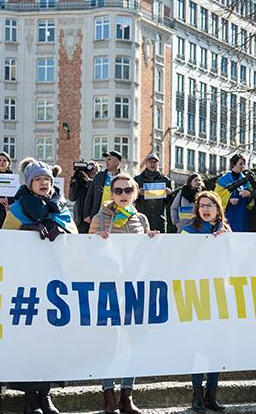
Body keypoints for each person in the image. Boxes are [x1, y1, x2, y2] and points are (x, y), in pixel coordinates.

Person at [3, 159, 73, 413]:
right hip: (28, 281)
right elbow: (5, 237)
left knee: (51, 341)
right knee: (29, 341)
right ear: (29, 183)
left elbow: (74, 234)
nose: (44, 183)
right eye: (38, 179)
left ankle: (46, 394)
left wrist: (60, 228)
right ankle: (30, 399)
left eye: (47, 179)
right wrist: (28, 228)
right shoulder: (19, 207)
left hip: (55, 283)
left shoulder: (62, 206)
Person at [89, 173, 157, 414]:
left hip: (134, 287)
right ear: (111, 193)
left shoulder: (141, 218)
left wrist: (151, 240)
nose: (123, 195)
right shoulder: (100, 217)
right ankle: (108, 396)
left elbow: (146, 255)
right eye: (118, 191)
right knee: (109, 343)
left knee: (133, 342)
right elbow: (87, 251)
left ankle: (127, 395)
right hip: (108, 287)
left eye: (128, 190)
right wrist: (96, 240)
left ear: (135, 192)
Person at [180, 191, 228, 411]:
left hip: (221, 295)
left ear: (218, 209)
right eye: (202, 206)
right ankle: (197, 395)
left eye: (210, 205)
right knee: (198, 346)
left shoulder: (227, 232)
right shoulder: (188, 231)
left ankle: (212, 393)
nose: (206, 209)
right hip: (196, 294)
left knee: (216, 347)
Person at [134, 153, 172, 233]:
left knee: (159, 244)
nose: (152, 164)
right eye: (150, 162)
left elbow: (169, 203)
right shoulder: (137, 179)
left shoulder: (166, 180)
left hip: (159, 220)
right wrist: (137, 193)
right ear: (146, 163)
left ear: (158, 164)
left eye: (155, 162)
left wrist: (169, 194)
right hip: (142, 218)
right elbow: (131, 199)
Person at [215, 154, 253, 232]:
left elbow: (251, 199)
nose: (243, 166)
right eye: (240, 164)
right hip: (229, 213)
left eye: (244, 164)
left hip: (242, 212)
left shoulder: (246, 180)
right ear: (233, 164)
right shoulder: (223, 179)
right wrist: (229, 201)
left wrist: (248, 196)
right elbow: (216, 197)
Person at [84, 150, 122, 224]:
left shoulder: (124, 178)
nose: (106, 162)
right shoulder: (99, 176)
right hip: (99, 215)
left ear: (116, 162)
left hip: (118, 216)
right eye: (106, 159)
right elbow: (90, 196)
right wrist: (87, 215)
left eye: (109, 159)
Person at [69, 160, 99, 233]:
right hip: (79, 220)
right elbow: (72, 198)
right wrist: (75, 180)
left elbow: (97, 194)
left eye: (93, 169)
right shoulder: (80, 182)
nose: (90, 171)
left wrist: (89, 182)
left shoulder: (99, 182)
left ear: (97, 171)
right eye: (89, 168)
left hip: (92, 220)